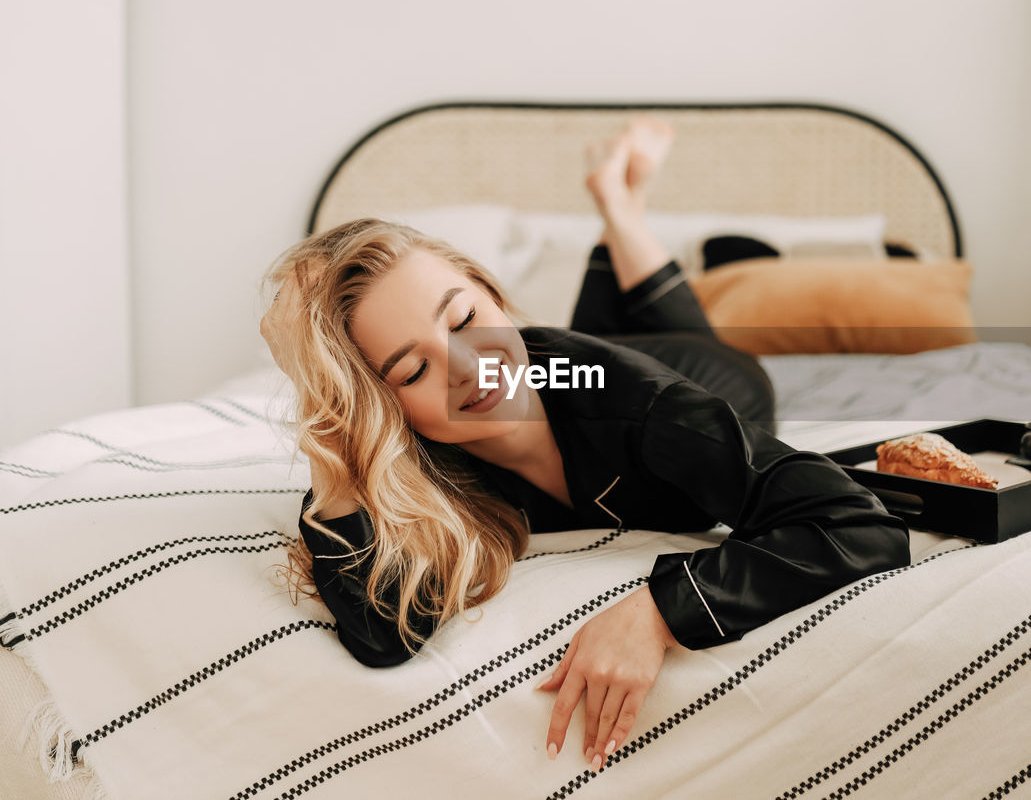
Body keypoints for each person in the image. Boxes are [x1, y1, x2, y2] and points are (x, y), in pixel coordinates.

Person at [259, 117, 909, 774]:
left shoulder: (649, 411)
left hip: (710, 374)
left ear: (491, 291)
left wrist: (660, 609)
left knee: (679, 357)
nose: (467, 368)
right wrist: (324, 404)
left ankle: (621, 209)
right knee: (584, 346)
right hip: (569, 367)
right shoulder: (416, 460)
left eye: (463, 319)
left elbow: (859, 524)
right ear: (382, 402)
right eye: (411, 370)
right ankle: (617, 206)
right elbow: (381, 638)